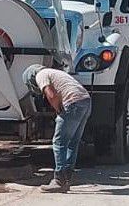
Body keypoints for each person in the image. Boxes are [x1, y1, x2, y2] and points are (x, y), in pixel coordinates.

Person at [23, 64, 92, 193]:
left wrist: (58, 110)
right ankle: (67, 177)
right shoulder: (54, 72)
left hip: (73, 103)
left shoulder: (40, 75)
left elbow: (51, 94)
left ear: (30, 78)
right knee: (73, 142)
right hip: (86, 101)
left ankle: (59, 180)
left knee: (59, 142)